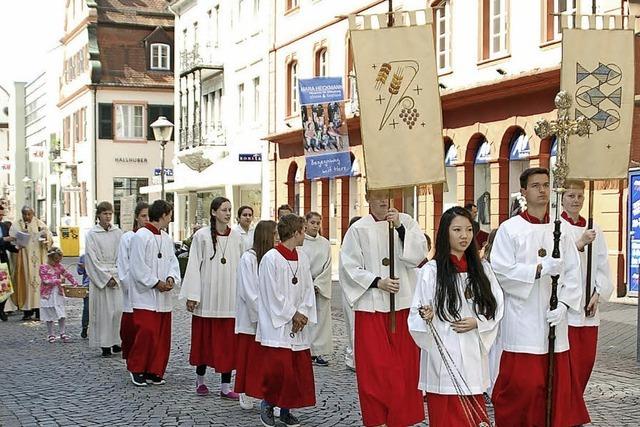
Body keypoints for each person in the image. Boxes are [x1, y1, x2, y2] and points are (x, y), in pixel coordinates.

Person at [490, 167, 582, 427]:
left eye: (545, 185)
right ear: (523, 192)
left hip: (554, 322)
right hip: (523, 322)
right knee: (525, 387)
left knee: (554, 388)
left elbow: (574, 272)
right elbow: (501, 271)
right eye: (535, 186)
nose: (542, 190)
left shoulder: (561, 230)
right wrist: (539, 269)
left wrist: (564, 304)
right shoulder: (510, 230)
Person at [409, 206, 503, 426]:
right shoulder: (431, 271)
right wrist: (427, 315)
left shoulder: (482, 269)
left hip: (472, 353)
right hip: (443, 355)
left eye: (469, 230)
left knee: (473, 415)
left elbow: (497, 304)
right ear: (445, 233)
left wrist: (478, 322)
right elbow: (417, 312)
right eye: (457, 230)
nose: (464, 236)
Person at [340, 190, 427, 427]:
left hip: (402, 305)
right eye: (376, 196)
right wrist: (378, 281)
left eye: (386, 196)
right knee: (375, 369)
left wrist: (399, 227)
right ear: (367, 199)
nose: (382, 201)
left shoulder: (407, 222)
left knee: (403, 368)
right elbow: (349, 267)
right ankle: (378, 419)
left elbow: (419, 254)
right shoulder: (358, 229)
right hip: (371, 307)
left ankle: (400, 419)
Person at [560, 180, 613, 426]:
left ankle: (573, 408)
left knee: (584, 362)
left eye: (580, 196)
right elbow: (556, 261)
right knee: (567, 365)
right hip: (565, 309)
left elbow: (602, 266)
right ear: (562, 198)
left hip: (588, 309)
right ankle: (568, 414)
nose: (576, 200)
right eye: (571, 195)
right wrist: (579, 244)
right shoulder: (556, 227)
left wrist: (597, 294)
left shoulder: (595, 228)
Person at [180, 197, 244, 398]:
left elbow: (243, 268)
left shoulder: (237, 238)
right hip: (207, 299)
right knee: (204, 343)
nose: (228, 213)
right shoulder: (201, 236)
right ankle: (200, 381)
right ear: (214, 212)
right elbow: (193, 267)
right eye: (224, 209)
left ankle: (225, 387)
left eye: (229, 209)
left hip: (229, 301)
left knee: (228, 346)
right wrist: (192, 294)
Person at [257, 214, 316, 427]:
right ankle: (268, 404)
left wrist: (303, 313)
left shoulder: (303, 257)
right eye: (303, 230)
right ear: (294, 232)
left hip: (297, 324)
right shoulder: (271, 258)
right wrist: (293, 314)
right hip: (278, 325)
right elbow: (271, 294)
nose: (305, 234)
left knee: (294, 371)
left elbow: (308, 289)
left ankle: (286, 410)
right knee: (278, 370)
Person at [127, 200, 181, 387]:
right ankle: (137, 369)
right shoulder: (140, 236)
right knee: (147, 333)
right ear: (164, 214)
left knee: (161, 336)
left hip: (163, 297)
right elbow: (136, 266)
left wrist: (171, 278)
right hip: (145, 296)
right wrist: (155, 283)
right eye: (170, 214)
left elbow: (173, 262)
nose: (171, 218)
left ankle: (155, 370)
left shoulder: (166, 238)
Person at [234, 220, 278, 410]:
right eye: (275, 234)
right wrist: (262, 316)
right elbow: (249, 292)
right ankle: (245, 391)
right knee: (249, 357)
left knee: (265, 360)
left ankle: (267, 394)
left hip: (269, 317)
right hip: (252, 319)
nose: (278, 238)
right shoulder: (248, 259)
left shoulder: (273, 258)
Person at [85, 201, 124, 357]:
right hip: (101, 277)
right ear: (98, 215)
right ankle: (105, 344)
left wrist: (117, 275)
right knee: (104, 312)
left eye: (110, 214)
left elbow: (123, 256)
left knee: (118, 311)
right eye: (105, 213)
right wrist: (106, 278)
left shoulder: (118, 233)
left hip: (116, 274)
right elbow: (91, 259)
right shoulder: (92, 235)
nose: (108, 217)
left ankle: (117, 341)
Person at [116, 201, 149, 360]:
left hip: (150, 291)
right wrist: (130, 286)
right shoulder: (128, 238)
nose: (147, 219)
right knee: (131, 327)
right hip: (133, 290)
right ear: (137, 218)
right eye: (143, 216)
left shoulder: (156, 238)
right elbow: (123, 264)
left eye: (149, 216)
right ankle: (132, 358)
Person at [300, 211, 332, 367]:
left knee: (320, 320)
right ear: (306, 223)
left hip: (320, 285)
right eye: (312, 222)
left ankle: (318, 352)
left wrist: (318, 284)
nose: (315, 226)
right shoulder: (300, 242)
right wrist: (307, 284)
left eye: (318, 223)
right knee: (306, 319)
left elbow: (328, 266)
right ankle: (306, 350)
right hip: (304, 286)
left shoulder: (325, 243)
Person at [9, 206, 53, 321]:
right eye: (24, 214)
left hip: (38, 260)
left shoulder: (39, 224)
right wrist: (17, 239)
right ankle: (27, 311)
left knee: (39, 283)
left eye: (29, 214)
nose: (27, 217)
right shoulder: (17, 224)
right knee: (26, 283)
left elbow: (49, 238)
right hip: (24, 260)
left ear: (33, 214)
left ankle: (39, 310)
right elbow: (12, 239)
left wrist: (45, 236)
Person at [39, 247, 78, 343]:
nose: (58, 261)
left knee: (61, 313)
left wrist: (74, 282)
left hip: (58, 292)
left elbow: (67, 274)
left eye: (60, 259)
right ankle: (51, 334)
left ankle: (62, 332)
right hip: (47, 293)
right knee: (49, 314)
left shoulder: (59, 266)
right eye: (56, 259)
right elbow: (45, 280)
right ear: (51, 258)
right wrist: (58, 280)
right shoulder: (43, 267)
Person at [340, 216, 361, 371]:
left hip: (363, 292)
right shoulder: (346, 250)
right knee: (353, 327)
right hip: (351, 293)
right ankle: (354, 357)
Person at [0, 204, 18, 321]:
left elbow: (7, 244)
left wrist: (17, 249)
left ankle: (1, 309)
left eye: (2, 215)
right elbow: (4, 240)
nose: (1, 217)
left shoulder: (3, 226)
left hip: (2, 258)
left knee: (5, 287)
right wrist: (4, 239)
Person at [77, 254, 90, 338]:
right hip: (87, 285)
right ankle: (84, 328)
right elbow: (79, 272)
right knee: (87, 308)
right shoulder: (83, 257)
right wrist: (82, 267)